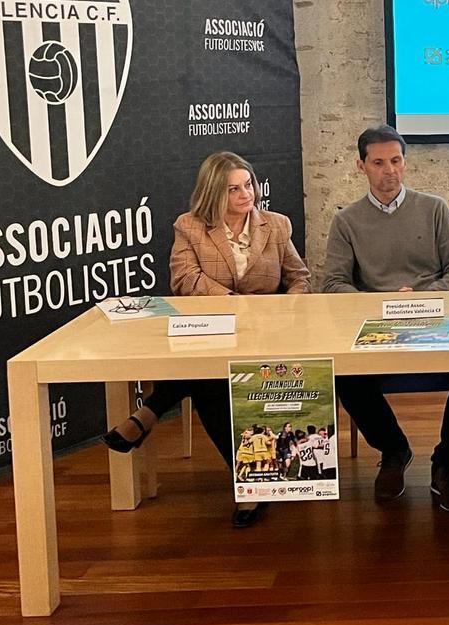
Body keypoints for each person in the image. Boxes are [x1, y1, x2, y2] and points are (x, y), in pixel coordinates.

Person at [102, 151, 310, 528]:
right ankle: (248, 479)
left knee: (203, 372)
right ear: (214, 194)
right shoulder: (190, 226)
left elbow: (299, 276)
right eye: (234, 189)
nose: (246, 194)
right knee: (210, 379)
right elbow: (185, 278)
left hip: (268, 336)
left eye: (248, 184)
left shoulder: (276, 225)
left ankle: (149, 412)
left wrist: (287, 307)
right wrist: (234, 306)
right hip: (214, 330)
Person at [323, 125, 449, 513]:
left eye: (395, 161)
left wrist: (423, 297)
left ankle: (446, 462)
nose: (389, 170)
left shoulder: (434, 209)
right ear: (361, 166)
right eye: (378, 162)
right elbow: (332, 284)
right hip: (376, 329)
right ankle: (394, 450)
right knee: (344, 376)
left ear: (405, 163)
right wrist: (379, 305)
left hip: (435, 321)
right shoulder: (347, 221)